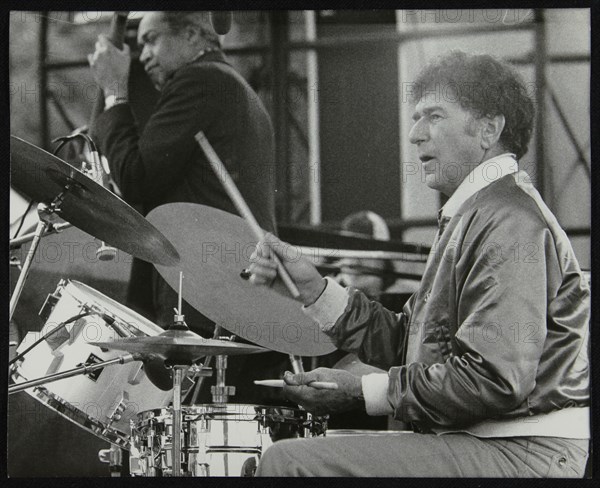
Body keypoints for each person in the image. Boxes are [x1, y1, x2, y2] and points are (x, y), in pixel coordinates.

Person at [247, 51, 590, 477]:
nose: (414, 134)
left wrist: (364, 392)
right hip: (491, 440)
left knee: (288, 461)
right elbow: (411, 344)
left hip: (521, 449)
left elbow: (493, 380)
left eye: (433, 116)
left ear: (488, 129)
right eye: (416, 117)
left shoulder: (508, 220)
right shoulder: (479, 212)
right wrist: (314, 291)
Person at [88, 11, 289, 404]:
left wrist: (114, 91)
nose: (143, 54)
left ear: (195, 35)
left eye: (152, 40)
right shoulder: (233, 87)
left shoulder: (201, 81)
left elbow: (137, 177)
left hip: (203, 293)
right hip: (231, 292)